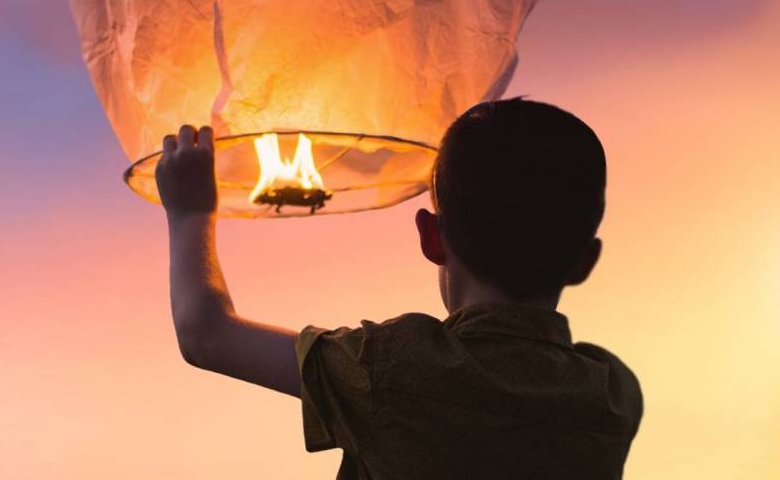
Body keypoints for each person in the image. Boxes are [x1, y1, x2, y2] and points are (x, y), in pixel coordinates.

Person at [157, 99, 641, 479]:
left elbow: (205, 334)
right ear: (585, 260)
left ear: (432, 237)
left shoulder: (392, 367)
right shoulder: (612, 393)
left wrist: (189, 212)